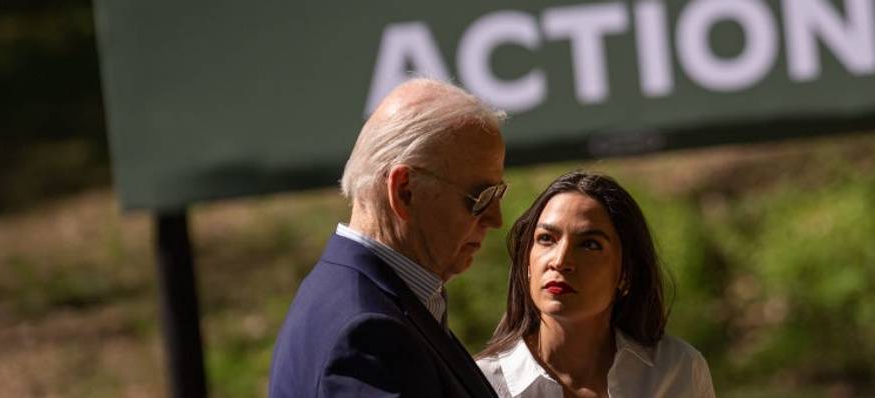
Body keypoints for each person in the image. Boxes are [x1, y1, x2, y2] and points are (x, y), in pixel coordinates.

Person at [269, 78, 506, 397]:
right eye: (480, 198)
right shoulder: (367, 333)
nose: (495, 219)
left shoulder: (364, 301)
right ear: (404, 191)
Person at [476, 171, 715, 398]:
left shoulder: (676, 371)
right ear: (527, 262)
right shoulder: (481, 381)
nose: (560, 261)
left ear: (626, 273)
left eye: (589, 245)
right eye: (546, 239)